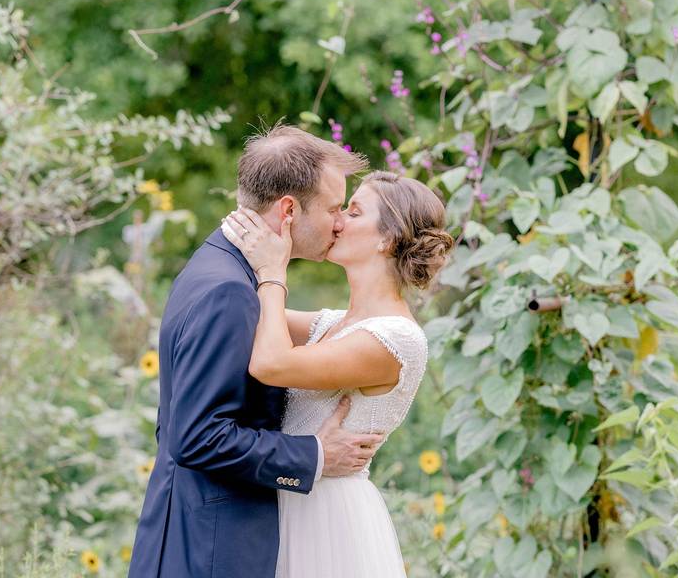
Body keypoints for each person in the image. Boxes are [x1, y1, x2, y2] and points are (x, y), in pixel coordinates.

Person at [127, 124, 380, 578]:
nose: (339, 222)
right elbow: (197, 436)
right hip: (208, 550)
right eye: (333, 208)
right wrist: (315, 455)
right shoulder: (228, 292)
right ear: (288, 210)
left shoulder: (223, 269)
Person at [221, 169, 454, 578]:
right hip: (289, 500)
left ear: (388, 239)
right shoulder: (333, 324)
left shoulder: (393, 340)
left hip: (327, 521)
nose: (337, 220)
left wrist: (273, 271)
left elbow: (271, 363)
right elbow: (245, 312)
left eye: (355, 211)